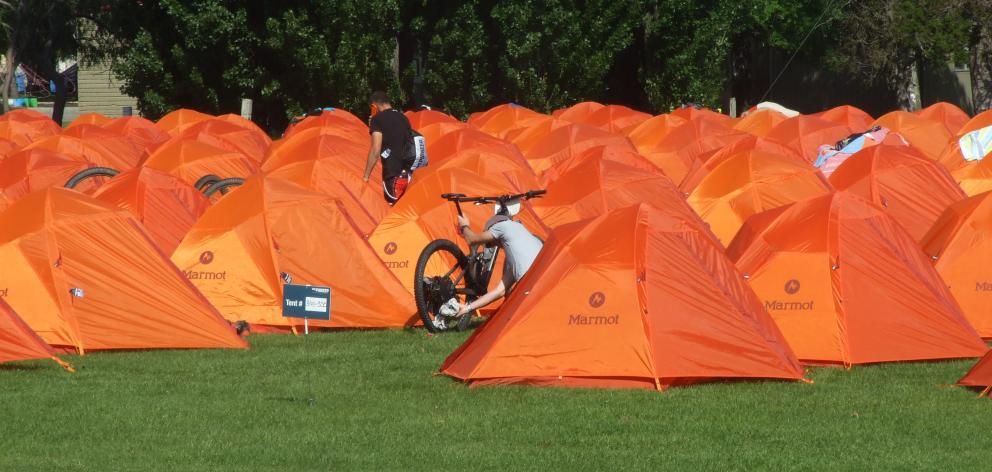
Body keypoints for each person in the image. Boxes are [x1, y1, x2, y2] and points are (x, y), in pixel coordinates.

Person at [454, 213, 543, 317]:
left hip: (532, 289)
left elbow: (471, 239)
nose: (494, 245)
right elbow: (499, 292)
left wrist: (464, 225)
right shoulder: (524, 239)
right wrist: (468, 308)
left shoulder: (502, 226)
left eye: (490, 242)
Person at [363, 91, 413, 205]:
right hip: (408, 175)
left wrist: (366, 177)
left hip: (392, 175)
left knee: (393, 211)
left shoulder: (377, 119)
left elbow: (375, 150)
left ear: (373, 106)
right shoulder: (403, 117)